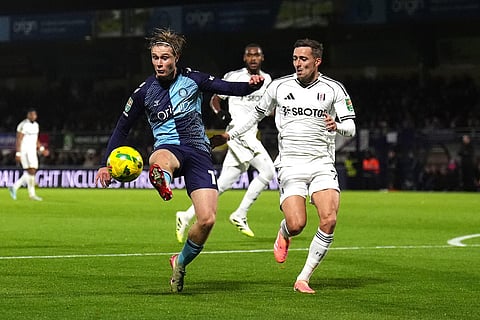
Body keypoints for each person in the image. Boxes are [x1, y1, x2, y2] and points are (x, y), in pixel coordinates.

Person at [94, 28, 264, 293]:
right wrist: (106, 163)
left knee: (207, 220)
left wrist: (252, 85)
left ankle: (180, 262)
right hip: (169, 148)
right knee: (160, 159)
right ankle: (162, 178)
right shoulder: (143, 93)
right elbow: (121, 128)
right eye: (154, 58)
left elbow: (227, 87)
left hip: (199, 152)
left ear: (176, 57)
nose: (159, 63)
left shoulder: (194, 79)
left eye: (164, 58)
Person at [211, 38, 356, 294]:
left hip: (322, 163)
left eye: (303, 59)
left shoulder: (334, 89)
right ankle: (284, 232)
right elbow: (254, 115)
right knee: (297, 224)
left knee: (329, 219)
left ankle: (303, 278)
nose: (298, 64)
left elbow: (351, 127)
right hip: (290, 164)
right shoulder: (278, 86)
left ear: (317, 61)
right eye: (295, 59)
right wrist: (230, 135)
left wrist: (337, 125)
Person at [175, 43, 275, 242]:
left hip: (251, 132)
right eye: (250, 55)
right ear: (244, 58)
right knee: (269, 171)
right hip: (238, 133)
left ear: (262, 58)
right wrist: (220, 114)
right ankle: (240, 214)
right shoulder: (234, 76)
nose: (253, 58)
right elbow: (215, 99)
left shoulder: (267, 80)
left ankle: (185, 216)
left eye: (257, 55)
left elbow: (267, 107)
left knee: (222, 184)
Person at [8, 108, 48, 201]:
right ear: (28, 115)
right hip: (24, 150)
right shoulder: (23, 125)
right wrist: (18, 153)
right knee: (31, 170)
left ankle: (15, 187)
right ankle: (31, 194)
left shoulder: (36, 125)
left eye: (35, 115)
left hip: (32, 150)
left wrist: (41, 149)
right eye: (31, 114)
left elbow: (36, 139)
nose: (33, 116)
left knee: (32, 170)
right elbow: (19, 139)